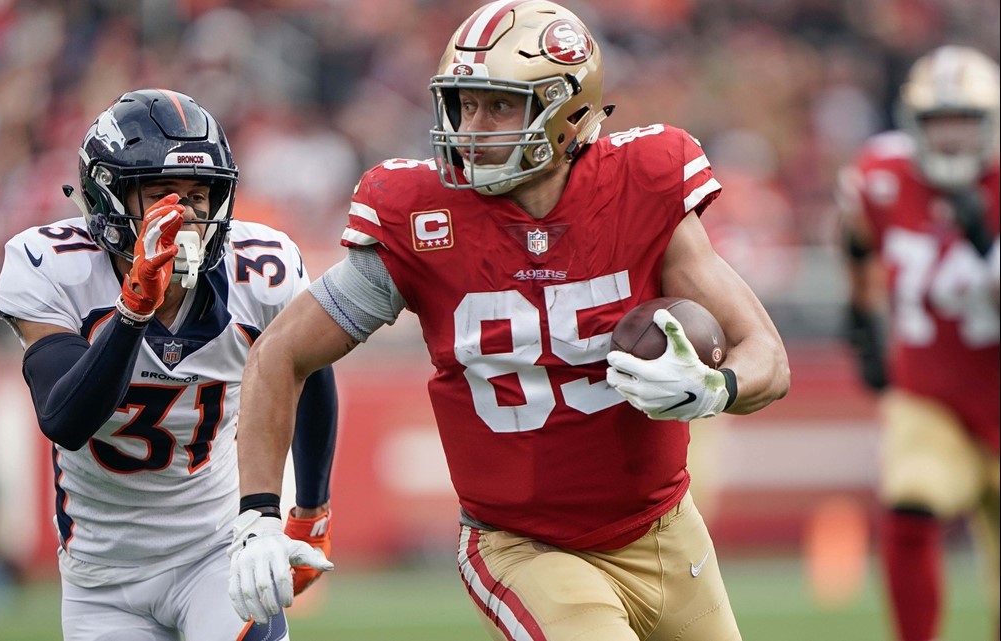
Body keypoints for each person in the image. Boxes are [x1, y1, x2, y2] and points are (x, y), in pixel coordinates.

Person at [224, 2, 790, 640]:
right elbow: (280, 353)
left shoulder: (642, 186)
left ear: (570, 111)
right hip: (522, 547)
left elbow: (765, 355)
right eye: (463, 104)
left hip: (664, 528)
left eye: (498, 106)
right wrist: (259, 518)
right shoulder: (421, 218)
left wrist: (715, 388)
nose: (472, 126)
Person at [0, 89, 338, 641]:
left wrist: (311, 511)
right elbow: (65, 420)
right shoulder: (53, 266)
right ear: (107, 198)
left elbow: (312, 367)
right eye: (160, 194)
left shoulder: (262, 271)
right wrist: (133, 310)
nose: (184, 216)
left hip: (216, 551)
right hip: (103, 576)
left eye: (199, 197)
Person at [838, 45, 999, 641]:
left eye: (965, 122)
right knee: (910, 497)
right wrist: (860, 315)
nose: (951, 138)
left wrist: (987, 245)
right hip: (931, 393)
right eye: (938, 122)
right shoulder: (881, 173)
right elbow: (856, 234)